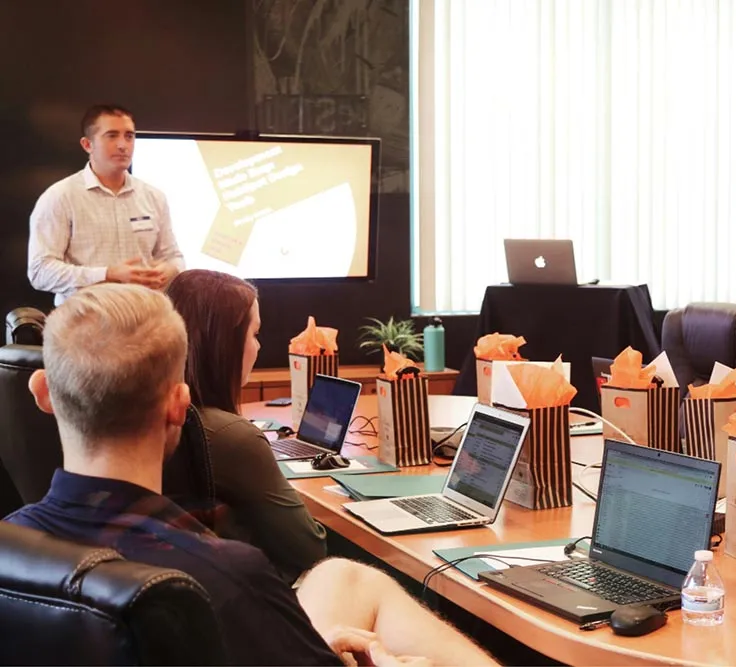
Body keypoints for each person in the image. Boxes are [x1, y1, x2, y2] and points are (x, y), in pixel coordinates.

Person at [4, 283, 495, 666]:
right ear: (178, 406)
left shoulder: (14, 545)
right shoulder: (227, 576)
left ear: (43, 392)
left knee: (341, 577)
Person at [166, 269, 327, 581]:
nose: (259, 347)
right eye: (254, 334)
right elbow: (310, 550)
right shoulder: (232, 436)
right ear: (223, 344)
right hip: (258, 598)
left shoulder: (156, 416)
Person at [27, 104, 184, 304]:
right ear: (87, 145)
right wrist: (107, 274)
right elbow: (40, 271)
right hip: (86, 322)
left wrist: (170, 269)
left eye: (129, 136)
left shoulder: (154, 196)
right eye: (112, 135)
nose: (123, 145)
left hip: (146, 319)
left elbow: (173, 256)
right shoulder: (60, 197)